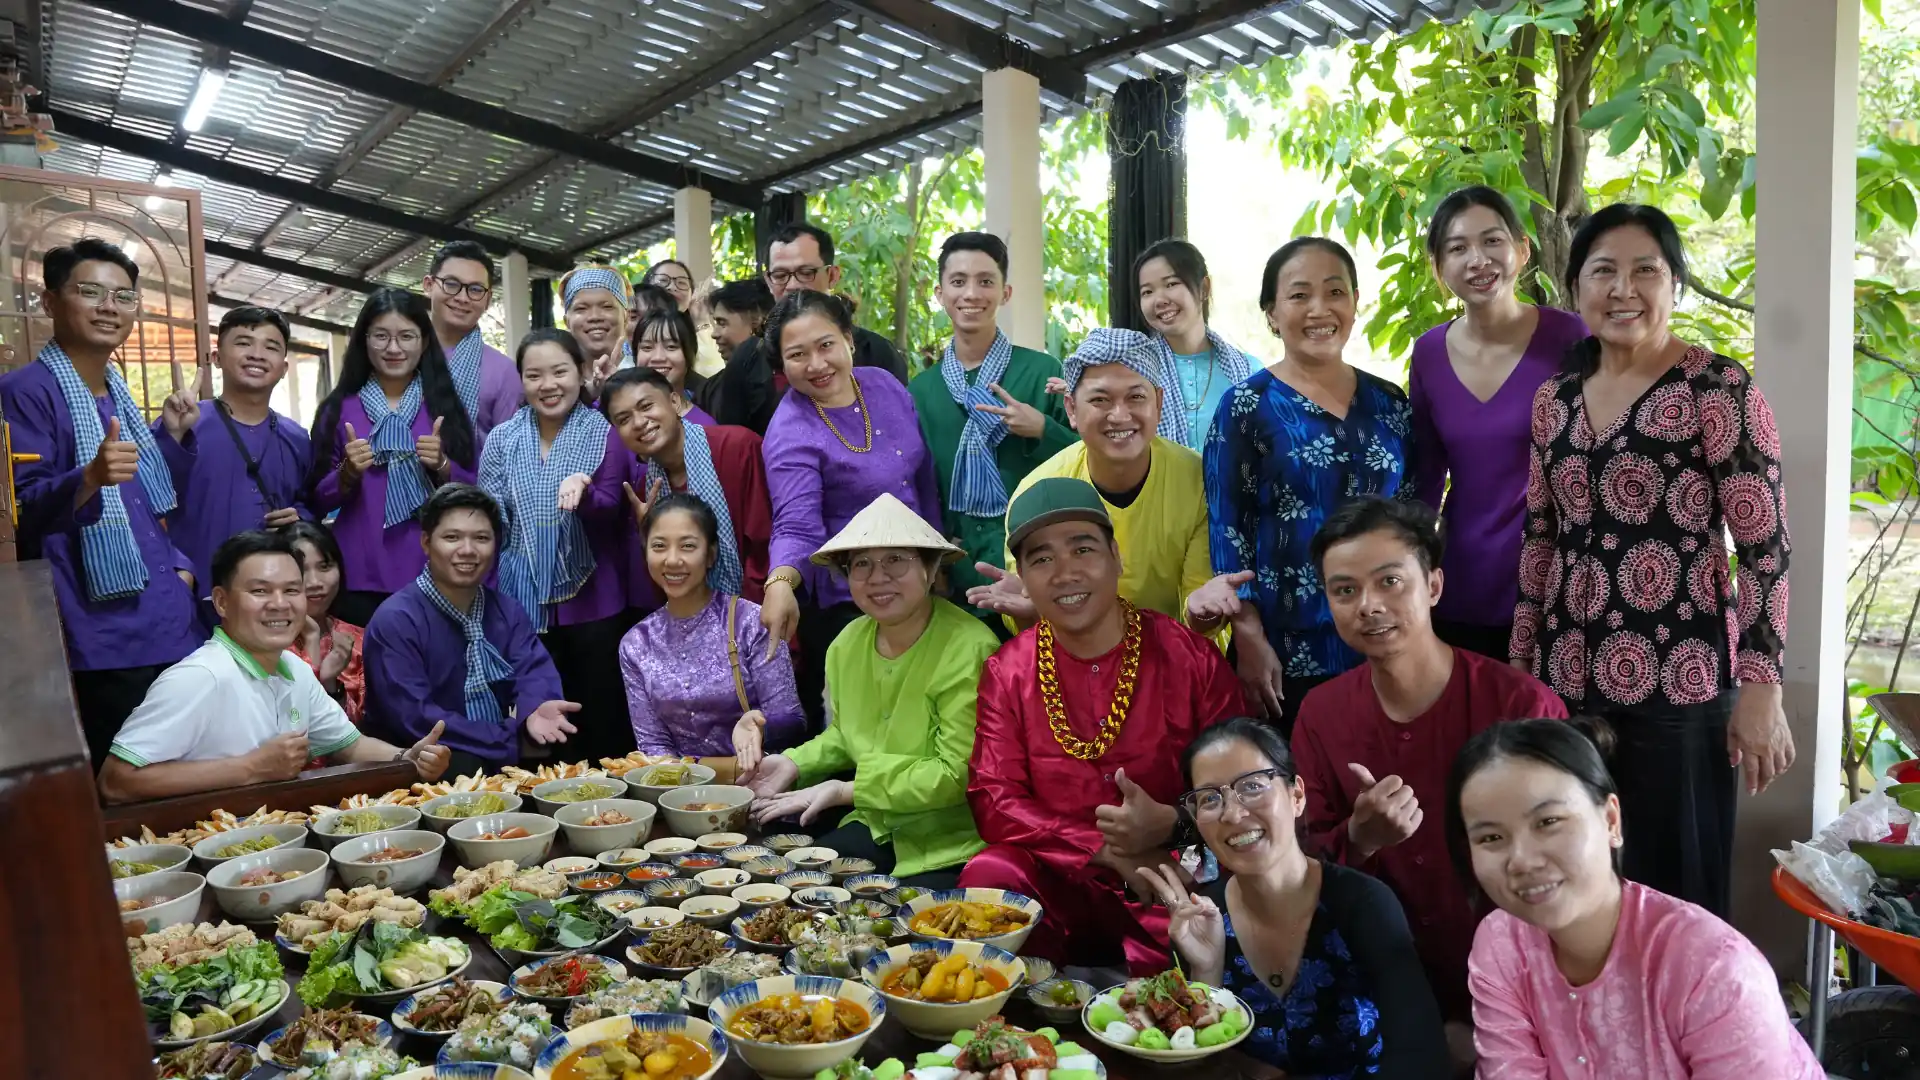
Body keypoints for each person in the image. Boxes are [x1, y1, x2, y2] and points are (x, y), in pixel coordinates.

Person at [1511, 204, 1794, 916]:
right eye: (1602, 271)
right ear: (1576, 287)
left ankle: (1681, 1028)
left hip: (1682, 688)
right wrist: (1520, 670)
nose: (1623, 289)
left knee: (1677, 891)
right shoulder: (1556, 398)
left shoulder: (1717, 389)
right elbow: (1542, 538)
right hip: (1567, 686)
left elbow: (1764, 547)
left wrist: (1762, 685)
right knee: (1578, 882)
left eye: (1646, 270)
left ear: (1676, 285)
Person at [1289, 496, 1565, 1034]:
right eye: (1344, 590)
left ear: (1434, 586)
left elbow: (1571, 864)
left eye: (1390, 581)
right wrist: (1360, 837)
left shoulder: (1519, 706)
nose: (1368, 605)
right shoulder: (1322, 715)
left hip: (1521, 985)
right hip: (1376, 990)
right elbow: (1299, 865)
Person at [963, 478, 1244, 971]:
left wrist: (1174, 824)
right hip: (1061, 878)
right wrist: (1103, 851)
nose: (1065, 573)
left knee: (1221, 904)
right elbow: (993, 797)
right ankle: (1026, 1026)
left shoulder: (1190, 658)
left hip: (1173, 874)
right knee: (991, 873)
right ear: (1024, 578)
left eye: (1083, 549)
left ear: (1116, 556)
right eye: (1041, 559)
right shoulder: (1008, 671)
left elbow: (1245, 788)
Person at [1448, 718, 1824, 1078]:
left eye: (1548, 822)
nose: (1522, 861)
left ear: (1611, 820)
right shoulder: (1501, 943)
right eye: (1491, 838)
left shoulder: (1712, 969)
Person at [1141, 718, 1449, 1077]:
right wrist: (1205, 973)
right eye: (1210, 798)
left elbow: (1423, 1057)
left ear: (1297, 796)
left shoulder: (1362, 904)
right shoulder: (1202, 918)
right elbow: (1190, 1068)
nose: (1233, 813)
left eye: (1252, 786)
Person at [1200, 237, 1414, 735]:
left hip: (1384, 638)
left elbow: (1412, 519)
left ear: (1355, 302)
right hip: (1286, 653)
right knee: (1301, 798)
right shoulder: (1245, 408)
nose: (1319, 309)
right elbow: (1227, 532)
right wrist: (1249, 638)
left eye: (1335, 291)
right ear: (1272, 313)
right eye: (1299, 296)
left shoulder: (1390, 402)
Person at [0, 238, 200, 767]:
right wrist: (86, 478)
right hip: (99, 631)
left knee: (185, 774)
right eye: (90, 292)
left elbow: (144, 499)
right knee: (125, 782)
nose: (109, 307)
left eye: (124, 296)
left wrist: (181, 571)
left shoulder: (116, 393)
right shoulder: (25, 391)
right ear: (50, 303)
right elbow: (16, 514)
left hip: (166, 618)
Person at [746, 493, 998, 890]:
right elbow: (846, 735)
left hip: (952, 838)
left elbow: (955, 775)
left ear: (931, 569)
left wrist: (847, 790)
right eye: (862, 563)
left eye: (896, 560)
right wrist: (794, 763)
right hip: (875, 821)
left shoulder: (971, 647)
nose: (878, 577)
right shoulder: (847, 642)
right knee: (788, 886)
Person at [96, 530, 453, 803]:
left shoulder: (293, 669)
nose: (280, 605)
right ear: (221, 601)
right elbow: (115, 782)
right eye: (261, 591)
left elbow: (349, 746)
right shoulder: (200, 677)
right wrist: (251, 768)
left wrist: (407, 757)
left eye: (291, 590)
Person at [1409, 188, 1591, 660]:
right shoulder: (1428, 352)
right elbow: (1424, 482)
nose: (1477, 260)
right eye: (1457, 248)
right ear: (1438, 266)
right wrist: (1412, 570)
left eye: (1492, 241)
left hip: (1557, 578)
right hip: (1462, 578)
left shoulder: (1570, 337)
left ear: (1522, 248)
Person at [759, 291, 943, 729]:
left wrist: (939, 559)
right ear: (783, 366)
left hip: (920, 581)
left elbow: (923, 477)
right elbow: (796, 523)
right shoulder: (790, 431)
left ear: (848, 340)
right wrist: (781, 582)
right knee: (867, 728)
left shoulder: (883, 384)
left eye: (825, 345)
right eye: (797, 355)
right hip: (854, 600)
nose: (817, 364)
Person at [969, 329, 1212, 637]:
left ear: (1158, 403)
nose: (1120, 416)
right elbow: (1027, 609)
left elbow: (1202, 613)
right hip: (1076, 664)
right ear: (1071, 408)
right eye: (1100, 399)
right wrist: (1033, 611)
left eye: (1136, 397)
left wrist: (1205, 613)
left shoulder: (1197, 479)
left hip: (1174, 662)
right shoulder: (1039, 492)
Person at [479, 329, 637, 762]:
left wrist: (583, 495)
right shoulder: (502, 440)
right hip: (520, 598)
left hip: (595, 599)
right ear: (522, 382)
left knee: (601, 718)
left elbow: (612, 511)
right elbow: (492, 522)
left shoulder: (606, 431)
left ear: (583, 372)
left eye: (560, 372)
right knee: (538, 722)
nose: (548, 385)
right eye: (534, 375)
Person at [909, 231, 1076, 623]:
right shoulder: (921, 390)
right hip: (958, 569)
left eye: (986, 281)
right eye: (958, 281)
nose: (972, 293)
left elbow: (1082, 465)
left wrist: (1042, 429)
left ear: (1006, 293)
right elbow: (919, 480)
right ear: (939, 293)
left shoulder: (1042, 371)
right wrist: (934, 557)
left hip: (1037, 564)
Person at [362, 484, 581, 774]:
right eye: (452, 537)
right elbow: (416, 717)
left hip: (493, 742)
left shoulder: (506, 610)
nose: (467, 551)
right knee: (466, 762)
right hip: (419, 756)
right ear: (426, 543)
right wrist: (509, 740)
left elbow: (533, 670)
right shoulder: (396, 620)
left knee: (560, 742)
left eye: (481, 538)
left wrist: (533, 711)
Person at [308, 287, 479, 626]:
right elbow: (314, 501)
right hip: (358, 572)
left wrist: (442, 466)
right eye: (381, 336)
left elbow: (477, 493)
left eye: (406, 336)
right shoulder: (338, 409)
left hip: (434, 569)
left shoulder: (444, 407)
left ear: (425, 342)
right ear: (364, 341)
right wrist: (346, 473)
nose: (394, 348)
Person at [619, 492, 804, 775]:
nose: (672, 560)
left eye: (687, 546)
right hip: (681, 793)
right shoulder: (636, 643)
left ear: (711, 554)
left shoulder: (752, 622)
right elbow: (654, 746)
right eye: (659, 546)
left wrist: (759, 727)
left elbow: (792, 721)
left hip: (760, 786)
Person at [154, 305, 312, 633]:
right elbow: (144, 498)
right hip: (194, 600)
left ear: (283, 368)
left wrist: (300, 516)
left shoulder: (296, 437)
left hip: (270, 606)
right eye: (243, 342)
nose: (256, 354)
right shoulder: (185, 423)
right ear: (217, 357)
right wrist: (172, 434)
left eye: (270, 346)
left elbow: (309, 503)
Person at [601, 367, 771, 608]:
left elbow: (767, 543)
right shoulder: (647, 492)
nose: (639, 422)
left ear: (674, 402)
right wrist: (647, 533)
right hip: (693, 621)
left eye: (646, 406)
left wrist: (742, 619)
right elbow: (665, 580)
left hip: (759, 612)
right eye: (624, 419)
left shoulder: (736, 447)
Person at [1134, 239, 1255, 452]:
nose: (1159, 300)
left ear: (1203, 288)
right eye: (1147, 292)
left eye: (1171, 284)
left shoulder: (1249, 371)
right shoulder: (1133, 371)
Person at [762, 223, 909, 383]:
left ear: (832, 276)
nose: (792, 286)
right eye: (780, 275)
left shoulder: (877, 353)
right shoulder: (750, 357)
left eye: (806, 273)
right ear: (769, 281)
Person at [423, 241, 523, 444]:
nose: (462, 298)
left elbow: (511, 452)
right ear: (428, 285)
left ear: (488, 299)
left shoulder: (505, 372)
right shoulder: (398, 356)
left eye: (476, 289)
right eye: (451, 284)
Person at [280, 520, 366, 727]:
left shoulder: (359, 639)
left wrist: (330, 684)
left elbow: (360, 731)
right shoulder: (267, 644)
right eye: (301, 571)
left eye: (325, 566)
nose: (315, 583)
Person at [696, 277, 777, 429]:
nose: (714, 334)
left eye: (722, 323)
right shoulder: (708, 390)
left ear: (757, 321)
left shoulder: (784, 381)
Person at [630, 305, 718, 427]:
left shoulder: (707, 420)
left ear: (689, 353)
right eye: (647, 347)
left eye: (671, 347)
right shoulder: (615, 412)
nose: (658, 357)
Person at [642, 258, 726, 378]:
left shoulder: (697, 333)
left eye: (681, 283)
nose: (672, 287)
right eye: (663, 281)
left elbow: (714, 377)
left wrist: (701, 322)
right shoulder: (631, 327)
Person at [561, 265, 633, 395]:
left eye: (607, 307)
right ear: (567, 321)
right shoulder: (557, 380)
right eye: (581, 309)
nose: (594, 317)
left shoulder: (644, 370)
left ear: (626, 316)